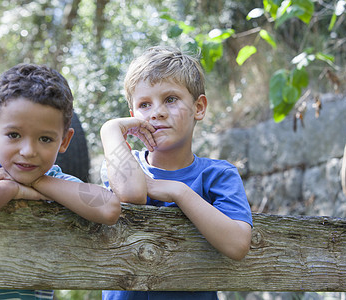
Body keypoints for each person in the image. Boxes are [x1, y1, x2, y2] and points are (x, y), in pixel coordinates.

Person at [0, 63, 121, 300]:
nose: (29, 151)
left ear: (64, 141)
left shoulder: (54, 181)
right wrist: (13, 188)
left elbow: (109, 207)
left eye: (45, 138)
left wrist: (36, 185)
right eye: (14, 135)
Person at [100, 46, 253, 300]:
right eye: (144, 104)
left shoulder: (218, 175)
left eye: (170, 99)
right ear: (133, 118)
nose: (157, 112)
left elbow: (237, 245)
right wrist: (109, 130)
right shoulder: (125, 165)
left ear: (199, 107)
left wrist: (178, 191)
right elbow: (131, 193)